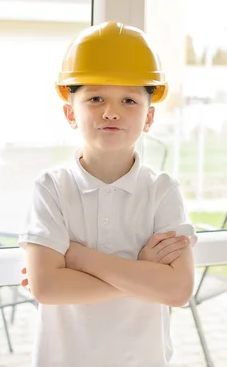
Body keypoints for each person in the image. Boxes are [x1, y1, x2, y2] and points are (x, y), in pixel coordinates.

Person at [17, 21, 197, 367]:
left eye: (129, 100)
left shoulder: (162, 191)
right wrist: (143, 273)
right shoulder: (52, 188)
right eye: (95, 98)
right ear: (71, 112)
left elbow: (177, 290)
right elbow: (48, 288)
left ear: (149, 117)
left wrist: (81, 260)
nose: (111, 111)